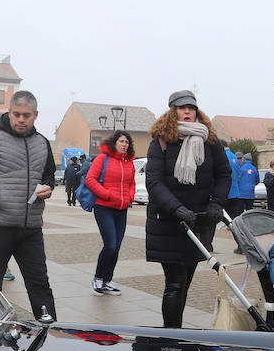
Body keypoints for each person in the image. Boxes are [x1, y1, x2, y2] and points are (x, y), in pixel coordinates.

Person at [0, 90, 59, 324]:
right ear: (9, 112)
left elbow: (49, 174)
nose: (21, 119)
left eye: (26, 115)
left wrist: (48, 187)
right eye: (16, 114)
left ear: (35, 115)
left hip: (31, 227)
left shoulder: (42, 142)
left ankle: (48, 327)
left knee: (39, 281)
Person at [144, 90, 231, 328]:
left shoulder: (209, 140)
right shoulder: (161, 141)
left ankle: (176, 332)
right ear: (173, 111)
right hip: (169, 222)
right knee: (175, 282)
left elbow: (224, 174)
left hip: (198, 221)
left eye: (191, 108)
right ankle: (171, 335)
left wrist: (216, 202)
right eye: (182, 108)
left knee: (186, 281)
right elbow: (154, 182)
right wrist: (176, 208)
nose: (187, 111)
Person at [83, 130, 136, 295]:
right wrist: (106, 194)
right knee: (110, 244)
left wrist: (130, 197)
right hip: (104, 207)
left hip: (122, 208)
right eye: (121, 141)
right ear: (114, 143)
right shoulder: (102, 159)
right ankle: (98, 278)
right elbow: (90, 179)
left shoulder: (129, 163)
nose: (124, 144)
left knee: (117, 247)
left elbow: (131, 183)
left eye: (126, 142)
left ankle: (107, 281)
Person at [232, 154, 259, 218]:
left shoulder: (241, 168)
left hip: (241, 194)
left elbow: (237, 179)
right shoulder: (254, 169)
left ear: (244, 159)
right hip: (250, 194)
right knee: (249, 212)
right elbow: (257, 181)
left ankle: (240, 225)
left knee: (239, 212)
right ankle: (249, 224)